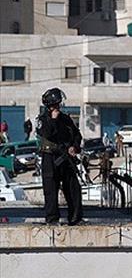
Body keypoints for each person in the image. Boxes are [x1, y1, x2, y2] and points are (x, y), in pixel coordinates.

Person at [36, 87, 84, 226]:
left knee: (73, 188)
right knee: (51, 189)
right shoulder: (42, 119)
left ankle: (75, 217)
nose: (59, 106)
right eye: (56, 104)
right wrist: (53, 120)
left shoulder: (66, 118)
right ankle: (52, 219)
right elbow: (46, 134)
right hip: (50, 158)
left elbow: (76, 135)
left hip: (66, 157)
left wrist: (74, 147)